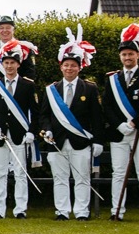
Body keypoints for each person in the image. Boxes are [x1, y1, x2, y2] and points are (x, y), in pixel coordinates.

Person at [37, 26, 104, 221]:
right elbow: (44, 116)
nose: (69, 69)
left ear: (79, 68)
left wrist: (98, 141)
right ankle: (62, 211)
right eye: (66, 65)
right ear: (61, 67)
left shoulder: (89, 88)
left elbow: (97, 117)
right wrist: (47, 131)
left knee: (82, 178)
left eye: (73, 66)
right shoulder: (51, 90)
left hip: (80, 142)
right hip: (56, 141)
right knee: (60, 178)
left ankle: (82, 212)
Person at [104, 23, 139, 223]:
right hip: (119, 133)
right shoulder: (112, 79)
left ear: (138, 55)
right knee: (118, 173)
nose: (127, 57)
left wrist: (134, 123)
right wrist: (120, 125)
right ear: (120, 56)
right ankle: (117, 211)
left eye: (131, 54)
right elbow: (107, 106)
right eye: (124, 54)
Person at [0, 42, 38, 219]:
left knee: (20, 173)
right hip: (0, 136)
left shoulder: (27, 85)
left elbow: (34, 112)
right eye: (6, 63)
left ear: (18, 64)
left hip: (19, 135)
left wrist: (31, 132)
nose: (9, 66)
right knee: (0, 173)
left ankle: (20, 209)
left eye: (12, 63)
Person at [0, 15, 38, 87]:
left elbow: (30, 74)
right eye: (1, 28)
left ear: (13, 30)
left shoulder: (23, 48)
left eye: (8, 28)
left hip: (19, 90)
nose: (4, 30)